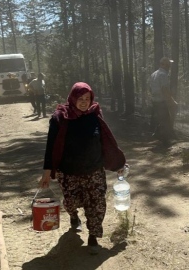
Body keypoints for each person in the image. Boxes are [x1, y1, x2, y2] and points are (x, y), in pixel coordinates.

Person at [39, 82, 126, 254]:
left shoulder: (95, 116)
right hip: (69, 172)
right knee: (71, 203)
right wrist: (47, 173)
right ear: (72, 98)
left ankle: (93, 236)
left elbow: (107, 143)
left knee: (96, 204)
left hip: (94, 171)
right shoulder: (59, 118)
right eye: (80, 98)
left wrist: (118, 165)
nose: (84, 102)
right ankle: (73, 216)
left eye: (87, 98)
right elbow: (51, 147)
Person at [149, 57, 178, 145]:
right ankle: (165, 141)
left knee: (162, 119)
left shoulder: (154, 74)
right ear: (164, 64)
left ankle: (158, 135)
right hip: (161, 101)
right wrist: (172, 101)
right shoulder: (163, 74)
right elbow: (164, 89)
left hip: (155, 100)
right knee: (166, 121)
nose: (169, 66)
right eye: (168, 64)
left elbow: (150, 88)